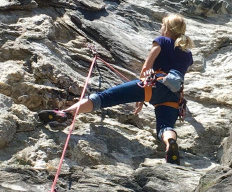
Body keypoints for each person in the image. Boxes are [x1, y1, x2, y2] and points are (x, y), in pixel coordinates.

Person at [38, 14, 194, 165]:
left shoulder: (162, 41)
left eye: (162, 25)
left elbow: (147, 66)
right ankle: (170, 141)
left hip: (153, 84)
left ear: (167, 27)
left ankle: (66, 113)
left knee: (105, 97)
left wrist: (141, 95)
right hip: (174, 97)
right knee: (165, 126)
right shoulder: (188, 55)